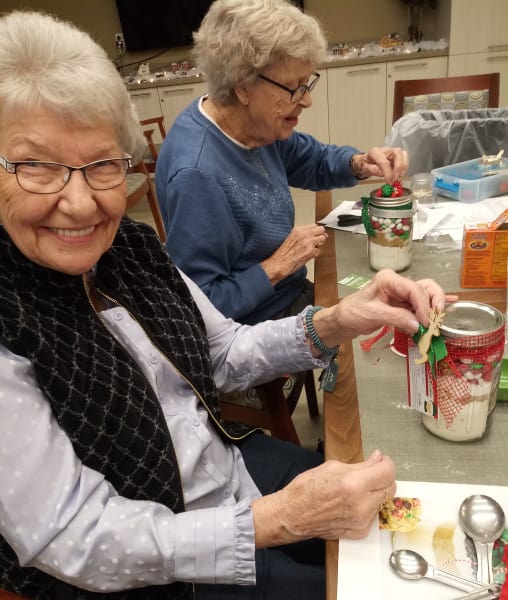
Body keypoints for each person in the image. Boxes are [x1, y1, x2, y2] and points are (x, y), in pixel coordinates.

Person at [0, 10, 452, 600]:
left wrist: (340, 318)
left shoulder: (131, 247)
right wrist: (274, 521)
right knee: (364, 585)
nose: (82, 203)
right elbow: (72, 535)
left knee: (404, 527)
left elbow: (220, 348)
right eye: (38, 166)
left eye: (103, 164)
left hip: (227, 466)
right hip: (159, 569)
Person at [156, 0, 409, 326]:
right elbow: (202, 305)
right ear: (243, 87)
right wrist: (279, 263)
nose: (306, 99)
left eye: (307, 83)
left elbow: (313, 160)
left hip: (290, 293)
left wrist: (360, 163)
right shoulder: (197, 175)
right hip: (256, 326)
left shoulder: (254, 125)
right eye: (293, 88)